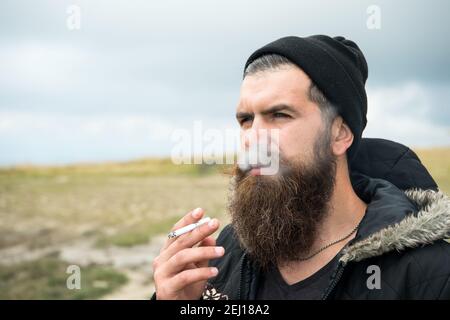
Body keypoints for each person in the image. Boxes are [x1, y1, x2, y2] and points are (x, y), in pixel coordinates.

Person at [151, 35, 450, 300]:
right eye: (245, 120)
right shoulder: (222, 254)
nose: (253, 138)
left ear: (340, 133)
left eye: (279, 115)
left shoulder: (429, 275)